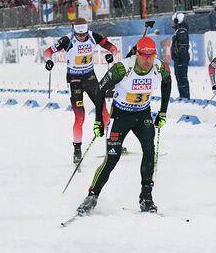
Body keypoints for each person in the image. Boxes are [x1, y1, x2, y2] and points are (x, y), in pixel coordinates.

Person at [76, 36, 171, 215]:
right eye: (144, 56)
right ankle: (92, 196)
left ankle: (146, 198)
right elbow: (99, 90)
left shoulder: (160, 67)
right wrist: (98, 120)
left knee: (150, 151)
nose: (148, 60)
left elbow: (167, 83)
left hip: (143, 114)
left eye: (151, 56)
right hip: (120, 116)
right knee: (112, 158)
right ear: (137, 53)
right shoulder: (122, 68)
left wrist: (163, 112)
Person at [43, 18, 118, 164]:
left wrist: (111, 55)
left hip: (90, 78)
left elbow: (112, 48)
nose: (82, 37)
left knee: (103, 111)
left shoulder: (93, 36)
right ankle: (77, 150)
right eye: (80, 35)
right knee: (80, 117)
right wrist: (49, 61)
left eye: (84, 35)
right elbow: (47, 52)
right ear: (74, 31)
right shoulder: (67, 40)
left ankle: (114, 143)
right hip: (74, 81)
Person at [170, 12, 190, 99]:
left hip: (181, 59)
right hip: (179, 59)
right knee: (179, 77)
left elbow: (183, 46)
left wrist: (179, 57)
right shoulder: (179, 30)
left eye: (173, 21)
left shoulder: (181, 31)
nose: (172, 23)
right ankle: (183, 95)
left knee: (182, 78)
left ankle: (185, 96)